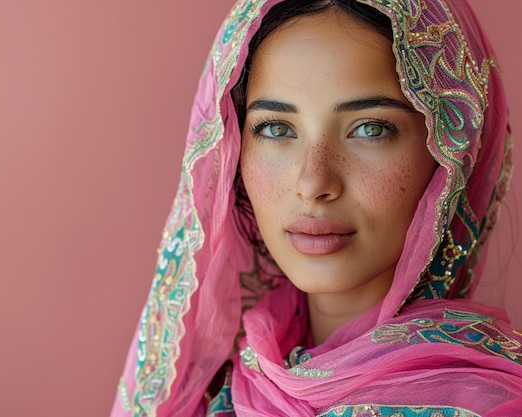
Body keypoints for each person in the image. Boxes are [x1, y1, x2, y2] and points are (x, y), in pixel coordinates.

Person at [111, 0, 522, 415]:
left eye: (370, 129)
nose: (313, 183)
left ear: (452, 157)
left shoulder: (501, 402)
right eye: (275, 128)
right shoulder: (207, 398)